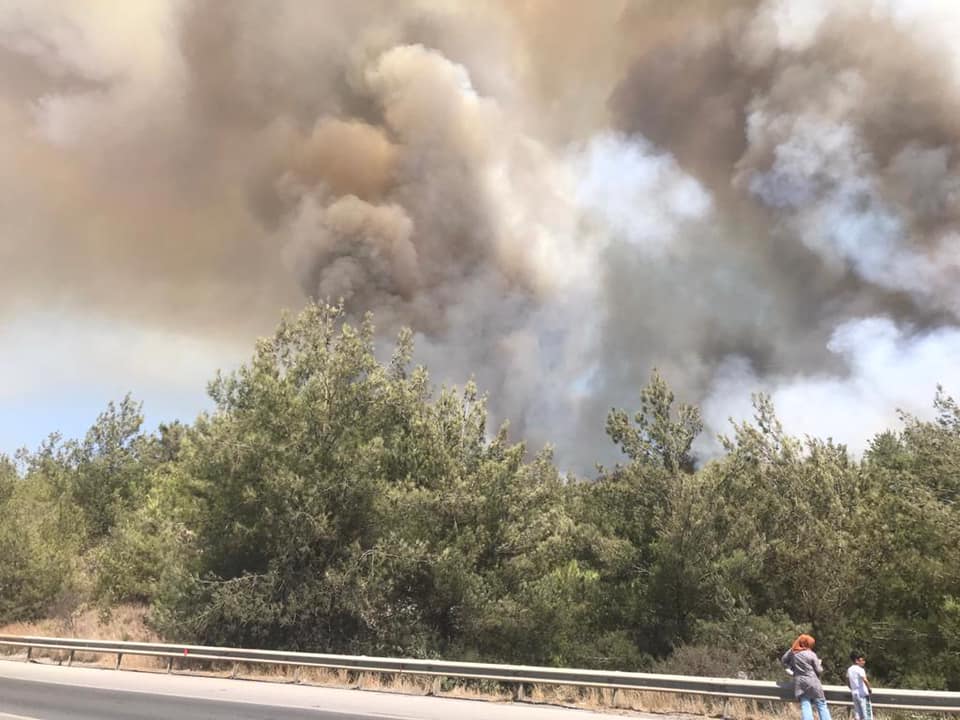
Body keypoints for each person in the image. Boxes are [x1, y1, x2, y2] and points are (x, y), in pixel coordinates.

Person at [782, 634, 833, 720]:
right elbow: (819, 670)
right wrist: (820, 665)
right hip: (813, 682)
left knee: (805, 703)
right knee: (821, 703)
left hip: (800, 683)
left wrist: (792, 668)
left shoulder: (794, 653)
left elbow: (783, 660)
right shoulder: (811, 654)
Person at [847, 651, 872, 720]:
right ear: (856, 661)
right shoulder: (860, 669)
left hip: (854, 694)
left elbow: (848, 681)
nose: (864, 662)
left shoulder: (849, 669)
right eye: (862, 660)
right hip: (863, 694)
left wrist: (852, 688)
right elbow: (865, 680)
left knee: (858, 714)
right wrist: (869, 688)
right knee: (867, 714)